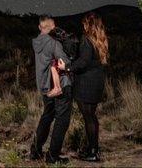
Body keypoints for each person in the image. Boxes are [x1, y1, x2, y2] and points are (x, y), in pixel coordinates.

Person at [58, 12, 108, 162]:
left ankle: (93, 153)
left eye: (84, 23)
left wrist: (66, 67)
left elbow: (83, 62)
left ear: (88, 24)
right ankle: (93, 149)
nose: (83, 26)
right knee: (92, 117)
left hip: (86, 84)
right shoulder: (101, 40)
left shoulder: (86, 39)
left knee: (88, 118)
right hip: (97, 82)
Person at [30, 15, 73, 164]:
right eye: (54, 26)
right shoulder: (53, 43)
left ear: (39, 27)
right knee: (62, 120)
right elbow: (64, 62)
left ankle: (35, 151)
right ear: (52, 27)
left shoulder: (36, 42)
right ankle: (53, 157)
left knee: (47, 116)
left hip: (44, 86)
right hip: (59, 85)